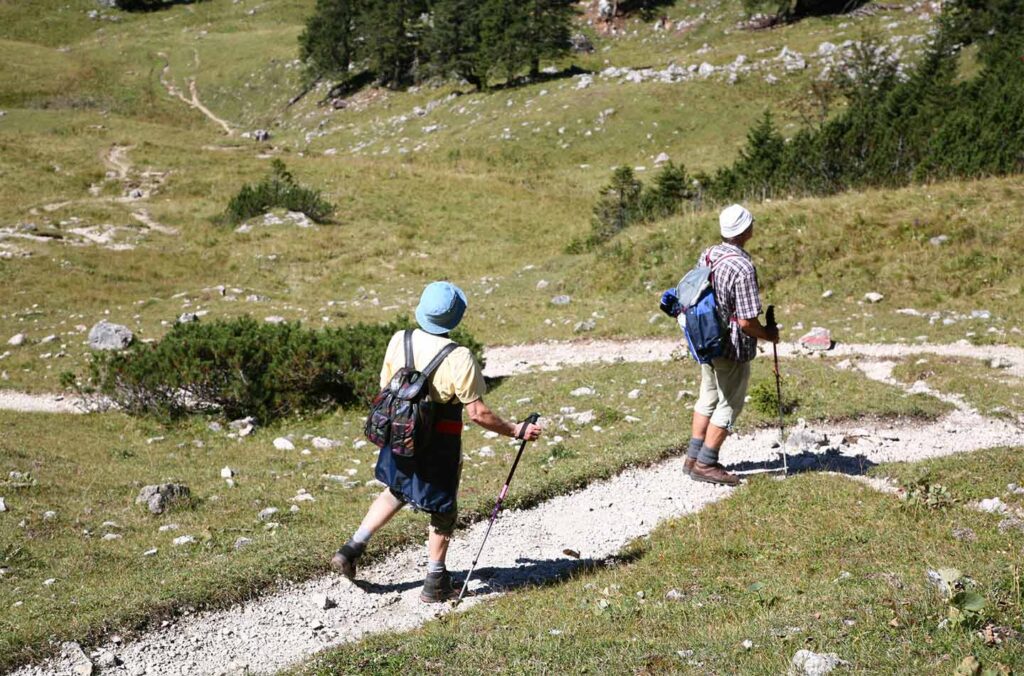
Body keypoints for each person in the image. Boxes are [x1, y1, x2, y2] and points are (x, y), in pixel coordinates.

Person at [331, 281, 542, 602]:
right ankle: (435, 581)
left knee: (398, 489)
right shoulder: (459, 356)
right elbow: (478, 413)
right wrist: (516, 430)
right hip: (439, 442)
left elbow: (386, 385)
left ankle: (351, 548)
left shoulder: (399, 339)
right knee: (442, 510)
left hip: (398, 433)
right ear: (455, 318)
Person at [681, 204, 779, 486]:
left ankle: (692, 458)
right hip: (731, 346)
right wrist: (769, 335)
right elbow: (747, 322)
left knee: (708, 397)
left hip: (704, 339)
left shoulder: (709, 254)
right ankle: (706, 463)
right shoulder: (743, 267)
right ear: (745, 230)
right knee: (729, 403)